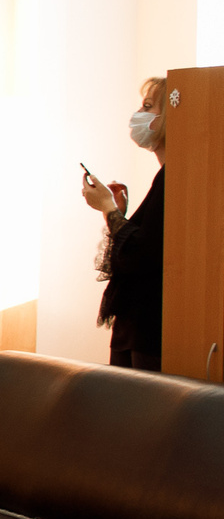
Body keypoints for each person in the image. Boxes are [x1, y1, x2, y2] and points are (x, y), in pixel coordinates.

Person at [86, 77, 167, 371]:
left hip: (148, 332)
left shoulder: (174, 177)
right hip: (136, 330)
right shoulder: (165, 176)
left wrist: (108, 207)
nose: (138, 115)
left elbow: (138, 254)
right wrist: (118, 213)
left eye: (147, 107)